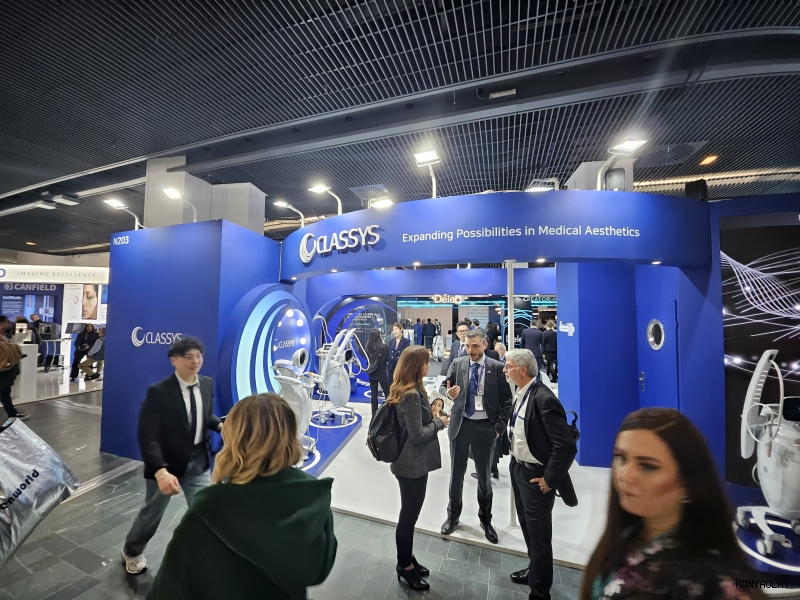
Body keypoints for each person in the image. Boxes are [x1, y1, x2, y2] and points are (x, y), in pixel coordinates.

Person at [149, 393, 337, 599]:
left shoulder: (208, 509)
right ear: (290, 435)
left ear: (235, 440)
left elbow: (167, 589)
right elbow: (320, 569)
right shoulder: (312, 496)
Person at [580, 408, 765, 600]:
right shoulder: (627, 535)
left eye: (647, 466)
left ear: (687, 482)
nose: (625, 475)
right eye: (621, 457)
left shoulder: (709, 581)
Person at [122, 337, 223, 575]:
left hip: (198, 461)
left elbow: (204, 415)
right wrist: (160, 472)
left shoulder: (206, 384)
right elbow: (148, 437)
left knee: (203, 509)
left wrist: (220, 426)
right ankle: (132, 550)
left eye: (198, 356)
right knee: (152, 513)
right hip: (166, 465)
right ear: (174, 360)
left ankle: (200, 553)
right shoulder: (159, 392)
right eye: (188, 357)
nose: (195, 361)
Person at [503, 348, 577, 599]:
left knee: (540, 537)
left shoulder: (544, 398)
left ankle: (540, 591)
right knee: (527, 527)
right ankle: (534, 571)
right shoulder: (522, 392)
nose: (505, 370)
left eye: (509, 366)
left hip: (536, 477)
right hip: (519, 469)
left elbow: (565, 445)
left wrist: (550, 479)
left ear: (523, 369)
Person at [440, 329, 512, 544]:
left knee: (484, 477)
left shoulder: (496, 368)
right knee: (456, 475)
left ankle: (486, 520)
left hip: (485, 428)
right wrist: (447, 393)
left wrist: (498, 428)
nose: (470, 350)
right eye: (467, 346)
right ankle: (453, 517)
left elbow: (507, 401)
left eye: (475, 346)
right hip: (460, 426)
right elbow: (443, 387)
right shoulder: (458, 363)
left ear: (485, 345)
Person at [389, 346, 449, 591]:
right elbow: (417, 435)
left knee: (410, 514)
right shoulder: (410, 394)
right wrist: (439, 422)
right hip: (410, 464)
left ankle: (408, 558)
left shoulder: (410, 389)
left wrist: (433, 412)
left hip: (412, 463)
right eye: (425, 362)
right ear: (416, 366)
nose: (428, 365)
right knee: (408, 516)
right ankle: (404, 565)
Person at [0, 329, 29, 421]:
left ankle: (12, 413)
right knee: (4, 392)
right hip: (4, 370)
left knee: (4, 392)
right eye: (7, 322)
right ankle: (12, 413)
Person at [366, 328, 390, 414]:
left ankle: (374, 414)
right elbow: (388, 359)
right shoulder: (384, 347)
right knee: (387, 393)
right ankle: (389, 412)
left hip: (372, 373)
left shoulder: (368, 347)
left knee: (374, 395)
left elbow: (367, 360)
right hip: (382, 372)